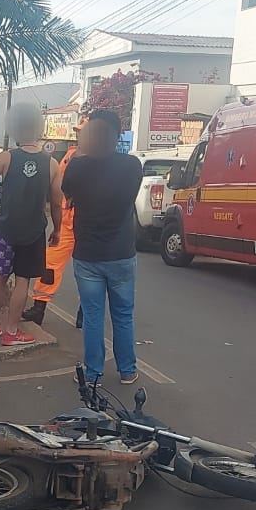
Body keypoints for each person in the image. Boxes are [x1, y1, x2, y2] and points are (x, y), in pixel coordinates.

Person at [0, 103, 64, 346]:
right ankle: (12, 331)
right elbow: (57, 203)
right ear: (39, 127)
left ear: (14, 127)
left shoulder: (6, 157)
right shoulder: (51, 164)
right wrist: (57, 230)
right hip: (33, 231)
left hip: (6, 229)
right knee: (23, 281)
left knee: (0, 275)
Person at [62, 109, 144, 385]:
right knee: (123, 315)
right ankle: (128, 370)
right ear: (118, 134)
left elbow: (67, 191)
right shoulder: (132, 165)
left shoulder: (77, 166)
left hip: (87, 255)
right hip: (121, 253)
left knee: (93, 317)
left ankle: (93, 372)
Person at [23, 117, 86, 326]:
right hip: (68, 222)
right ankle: (38, 307)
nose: (79, 136)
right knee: (49, 263)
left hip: (89, 224)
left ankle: (84, 311)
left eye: (83, 132)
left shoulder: (102, 160)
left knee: (87, 269)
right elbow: (58, 187)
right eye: (78, 132)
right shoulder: (70, 156)